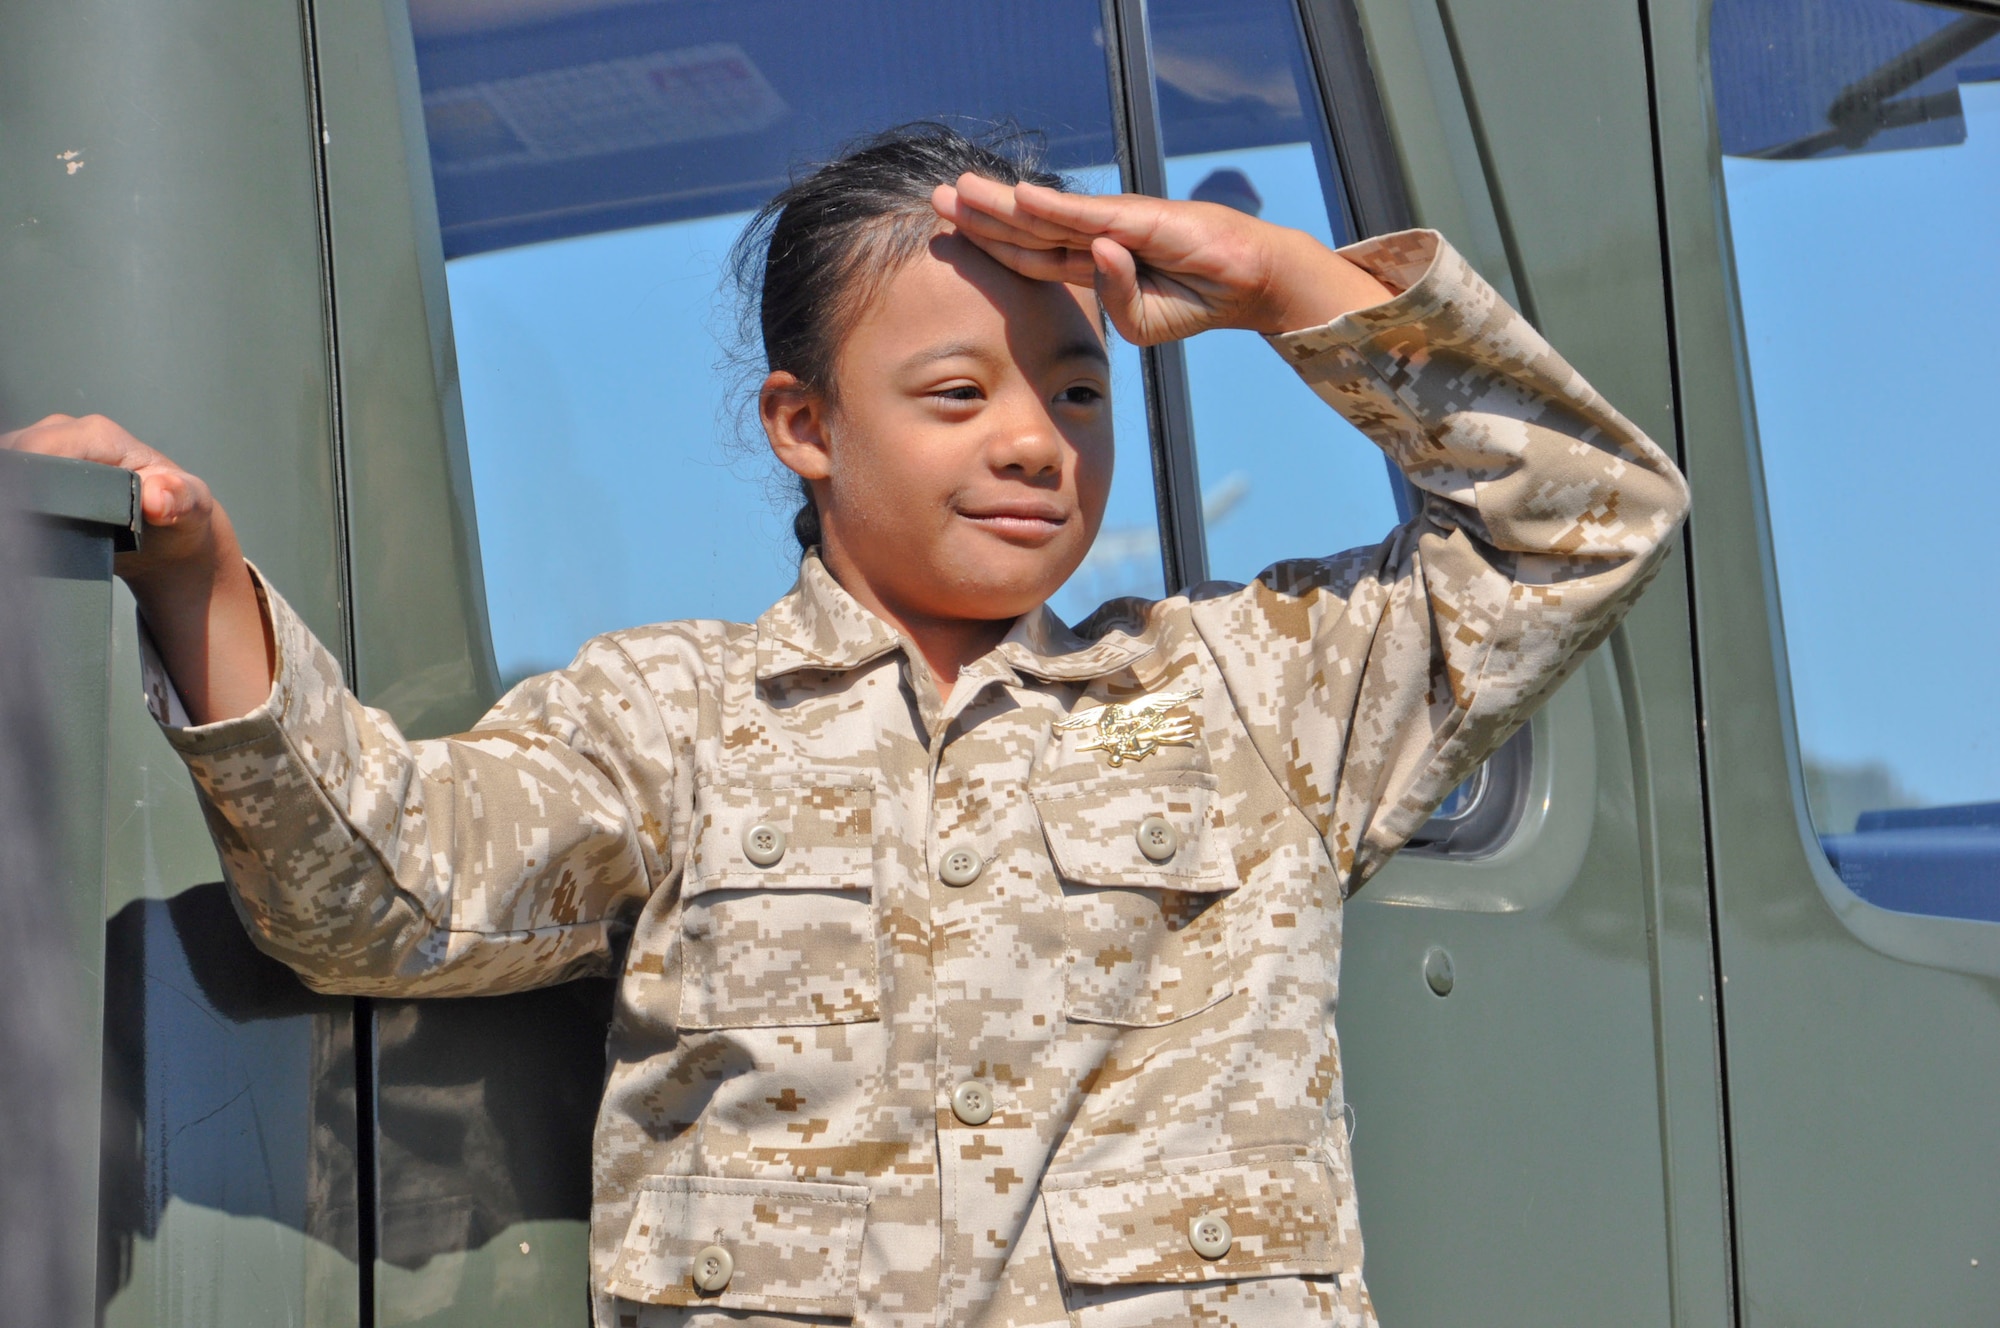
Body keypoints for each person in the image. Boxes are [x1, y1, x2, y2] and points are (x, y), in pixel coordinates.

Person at [3, 124, 1688, 1327]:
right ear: (803, 425)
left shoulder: (1252, 697)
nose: (1036, 441)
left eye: (1078, 390)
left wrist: (1290, 283)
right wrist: (195, 578)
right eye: (956, 394)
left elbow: (1587, 521)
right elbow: (376, 893)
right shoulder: (667, 720)